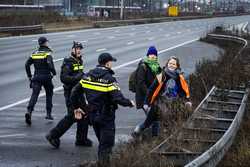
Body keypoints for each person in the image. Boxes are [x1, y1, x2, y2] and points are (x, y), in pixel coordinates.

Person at [47, 52, 135, 166]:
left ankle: (87, 145)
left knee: (102, 145)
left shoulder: (88, 75)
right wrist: (130, 103)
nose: (111, 64)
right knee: (106, 147)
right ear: (107, 64)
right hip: (106, 116)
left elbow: (74, 92)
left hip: (93, 116)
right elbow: (118, 98)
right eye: (111, 62)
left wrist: (76, 108)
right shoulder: (109, 79)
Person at [45, 41, 92, 147]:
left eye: (80, 48)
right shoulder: (68, 62)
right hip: (71, 93)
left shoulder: (79, 61)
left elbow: (79, 74)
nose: (79, 50)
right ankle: (52, 135)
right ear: (72, 50)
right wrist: (79, 77)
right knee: (72, 116)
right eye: (77, 48)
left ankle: (81, 139)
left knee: (84, 114)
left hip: (79, 92)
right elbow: (64, 78)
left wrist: (85, 77)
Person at [133, 56, 192, 137]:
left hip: (173, 103)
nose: (171, 65)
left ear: (177, 66)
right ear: (167, 64)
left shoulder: (179, 77)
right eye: (170, 63)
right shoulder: (162, 75)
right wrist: (146, 102)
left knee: (167, 122)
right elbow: (151, 89)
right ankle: (138, 131)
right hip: (159, 102)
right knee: (149, 121)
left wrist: (187, 100)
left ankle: (158, 138)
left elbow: (184, 90)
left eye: (174, 64)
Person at [25, 37, 56, 125]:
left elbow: (27, 64)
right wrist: (53, 73)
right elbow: (50, 65)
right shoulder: (47, 53)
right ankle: (48, 114)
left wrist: (29, 76)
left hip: (36, 77)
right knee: (49, 94)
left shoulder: (34, 53)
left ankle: (29, 111)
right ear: (45, 43)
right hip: (46, 77)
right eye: (47, 42)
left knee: (34, 95)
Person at [133, 46, 162, 136]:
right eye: (151, 55)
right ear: (148, 56)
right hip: (144, 97)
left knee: (154, 118)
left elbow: (161, 80)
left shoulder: (156, 66)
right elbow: (141, 83)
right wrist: (149, 94)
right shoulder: (143, 66)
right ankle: (151, 136)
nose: (153, 56)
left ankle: (139, 131)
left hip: (153, 97)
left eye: (154, 55)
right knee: (154, 118)